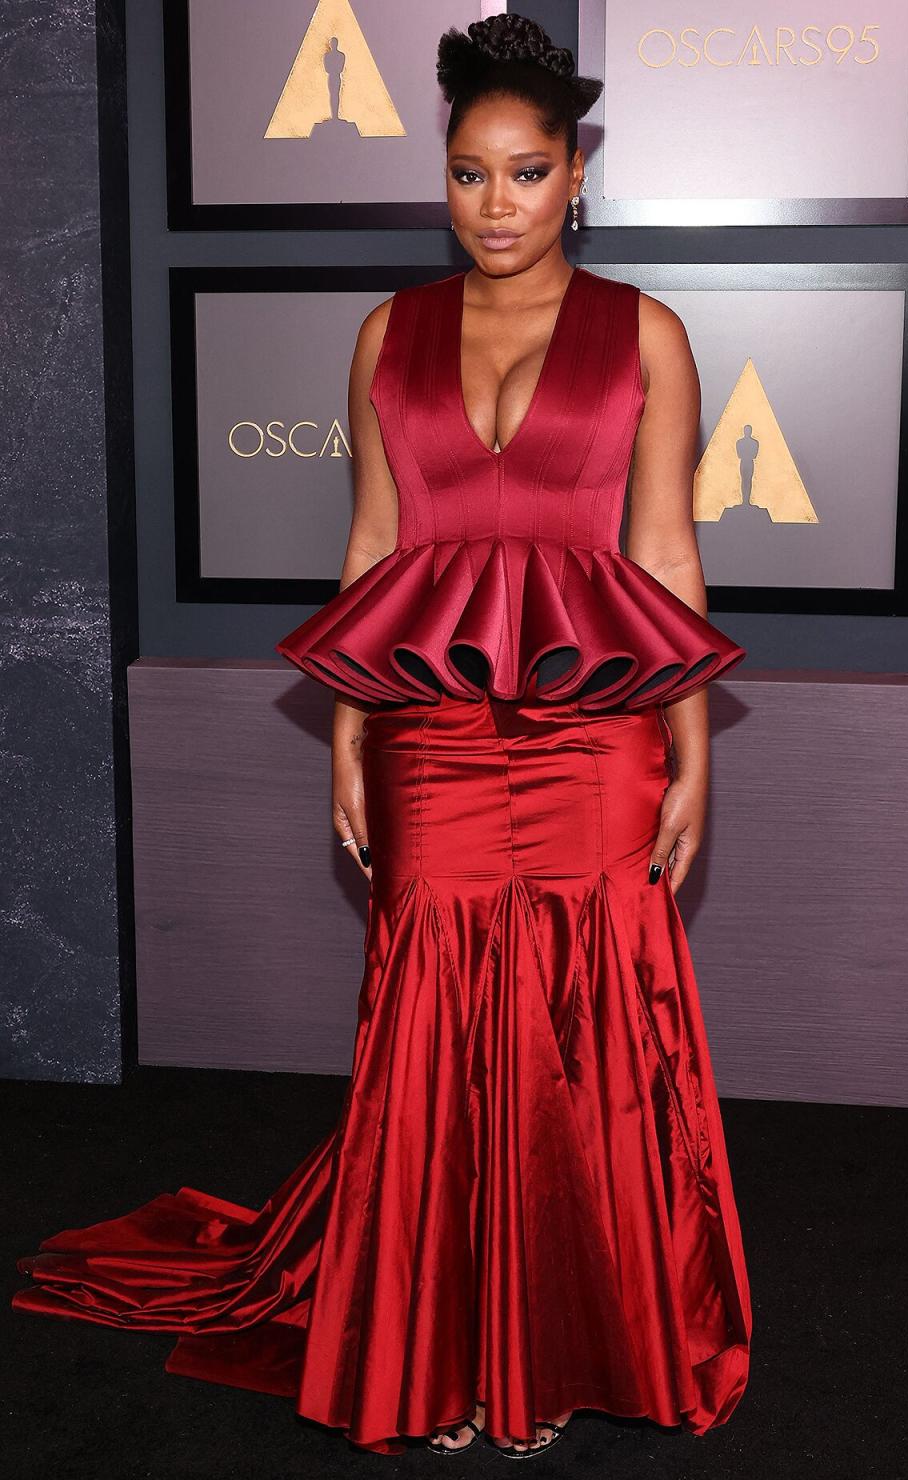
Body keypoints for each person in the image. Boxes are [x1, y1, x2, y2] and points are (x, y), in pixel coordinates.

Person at [11, 13, 752, 1460]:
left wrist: (696, 758)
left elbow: (665, 558)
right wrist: (349, 741)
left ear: (578, 175)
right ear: (447, 176)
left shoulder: (646, 331)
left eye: (527, 173)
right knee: (428, 1028)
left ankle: (554, 1343)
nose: (497, 204)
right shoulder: (389, 333)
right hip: (429, 734)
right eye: (471, 174)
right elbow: (373, 553)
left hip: (598, 733)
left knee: (584, 1035)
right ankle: (445, 1346)